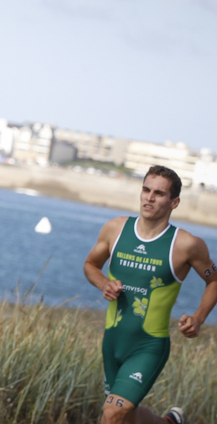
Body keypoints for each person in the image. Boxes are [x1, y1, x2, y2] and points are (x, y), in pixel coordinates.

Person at [83, 165, 217, 424]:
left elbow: (214, 281)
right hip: (112, 342)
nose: (149, 197)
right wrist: (103, 284)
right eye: (146, 190)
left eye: (159, 193)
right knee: (126, 417)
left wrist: (199, 317)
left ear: (174, 202)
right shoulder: (115, 229)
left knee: (111, 414)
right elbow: (90, 265)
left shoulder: (186, 244)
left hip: (148, 345)